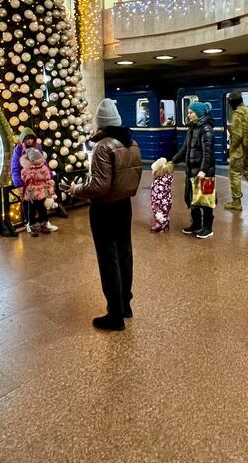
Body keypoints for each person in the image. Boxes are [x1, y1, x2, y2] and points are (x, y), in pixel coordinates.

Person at [67, 99, 142, 331]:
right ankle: (125, 305)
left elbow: (99, 186)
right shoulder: (131, 143)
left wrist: (76, 190)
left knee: (108, 259)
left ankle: (115, 315)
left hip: (105, 209)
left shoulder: (103, 147)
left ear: (101, 124)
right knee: (124, 253)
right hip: (124, 206)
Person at [172, 101, 216, 239]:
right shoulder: (192, 129)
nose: (188, 115)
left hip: (204, 172)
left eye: (191, 112)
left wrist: (203, 170)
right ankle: (196, 224)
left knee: (205, 200)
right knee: (193, 198)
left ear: (199, 113)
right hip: (192, 170)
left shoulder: (206, 129)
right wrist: (172, 161)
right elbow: (184, 149)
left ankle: (208, 228)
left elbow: (208, 153)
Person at [10, 128, 58, 232]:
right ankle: (30, 224)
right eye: (27, 139)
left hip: (39, 182)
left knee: (41, 202)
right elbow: (15, 167)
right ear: (23, 140)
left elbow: (42, 162)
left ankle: (44, 223)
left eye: (31, 139)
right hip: (28, 183)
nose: (30, 141)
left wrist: (49, 175)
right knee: (29, 204)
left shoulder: (37, 147)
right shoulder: (18, 149)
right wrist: (18, 183)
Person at [20, 148, 57, 237]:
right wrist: (28, 176)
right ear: (31, 160)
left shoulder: (44, 167)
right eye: (35, 159)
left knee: (42, 208)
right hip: (31, 190)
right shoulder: (27, 168)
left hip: (42, 189)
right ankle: (32, 226)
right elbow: (24, 176)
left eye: (39, 158)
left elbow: (47, 179)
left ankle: (43, 224)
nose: (38, 160)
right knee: (31, 209)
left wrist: (50, 193)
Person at [149, 157, 174, 233]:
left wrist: (155, 204)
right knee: (165, 212)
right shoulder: (165, 179)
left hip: (159, 202)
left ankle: (161, 225)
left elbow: (157, 194)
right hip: (166, 200)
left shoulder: (158, 182)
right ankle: (165, 223)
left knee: (159, 213)